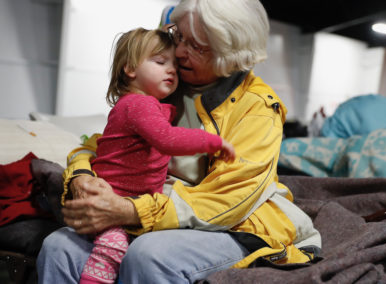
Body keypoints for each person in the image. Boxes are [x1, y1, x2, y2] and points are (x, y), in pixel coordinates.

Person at [37, 1, 322, 283]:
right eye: (179, 36)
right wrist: (80, 175)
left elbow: (228, 201)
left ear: (230, 54)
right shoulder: (164, 83)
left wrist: (132, 211)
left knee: (150, 256)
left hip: (233, 223)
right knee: (59, 247)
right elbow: (102, 144)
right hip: (152, 207)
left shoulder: (257, 107)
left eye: (196, 46)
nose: (180, 51)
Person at [75, 28, 235, 284]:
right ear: (129, 69)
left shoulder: (141, 104)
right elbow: (168, 139)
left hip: (126, 199)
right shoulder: (140, 104)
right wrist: (211, 142)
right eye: (160, 62)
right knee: (111, 251)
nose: (171, 70)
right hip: (113, 200)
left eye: (174, 64)